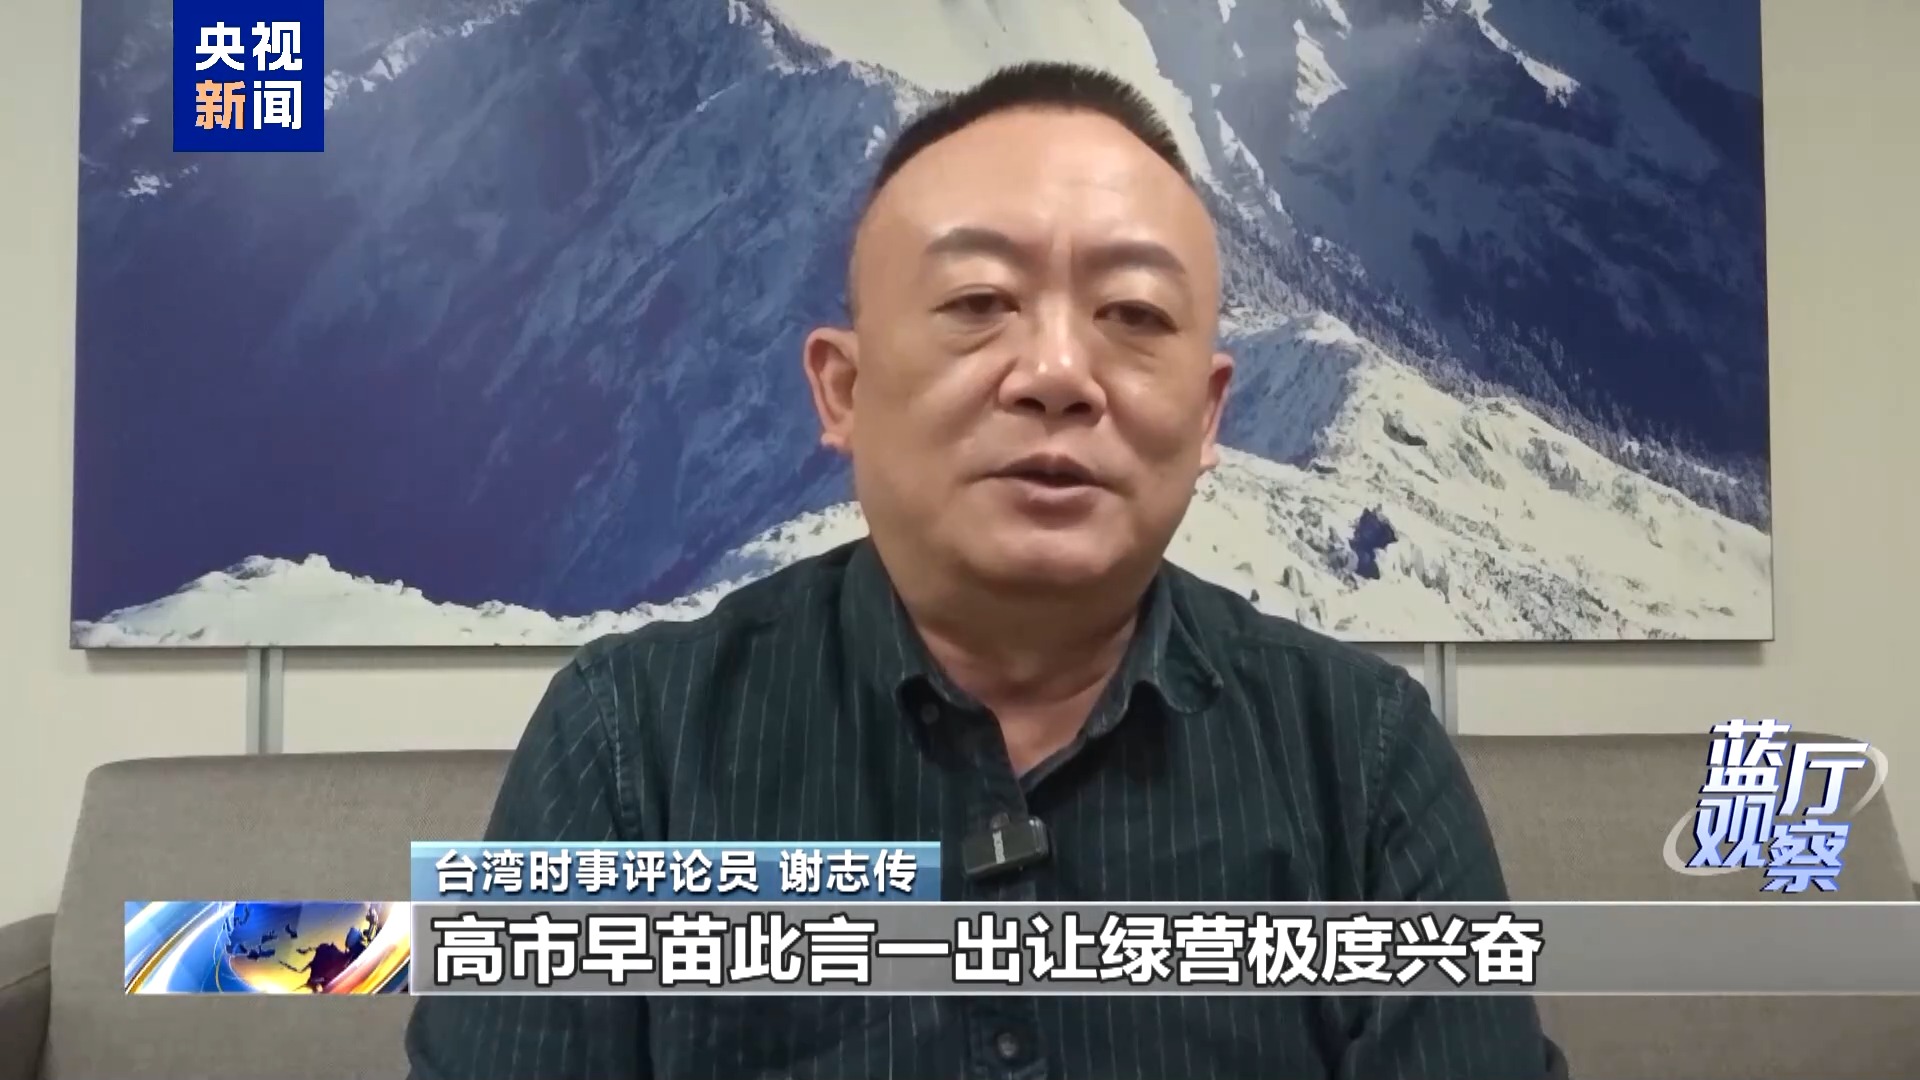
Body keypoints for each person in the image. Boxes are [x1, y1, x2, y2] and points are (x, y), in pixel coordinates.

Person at [406, 61, 1568, 1080]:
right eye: (977, 302)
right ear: (843, 391)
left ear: (1211, 414)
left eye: (1133, 314)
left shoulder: (1358, 755)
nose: (1058, 373)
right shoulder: (630, 746)